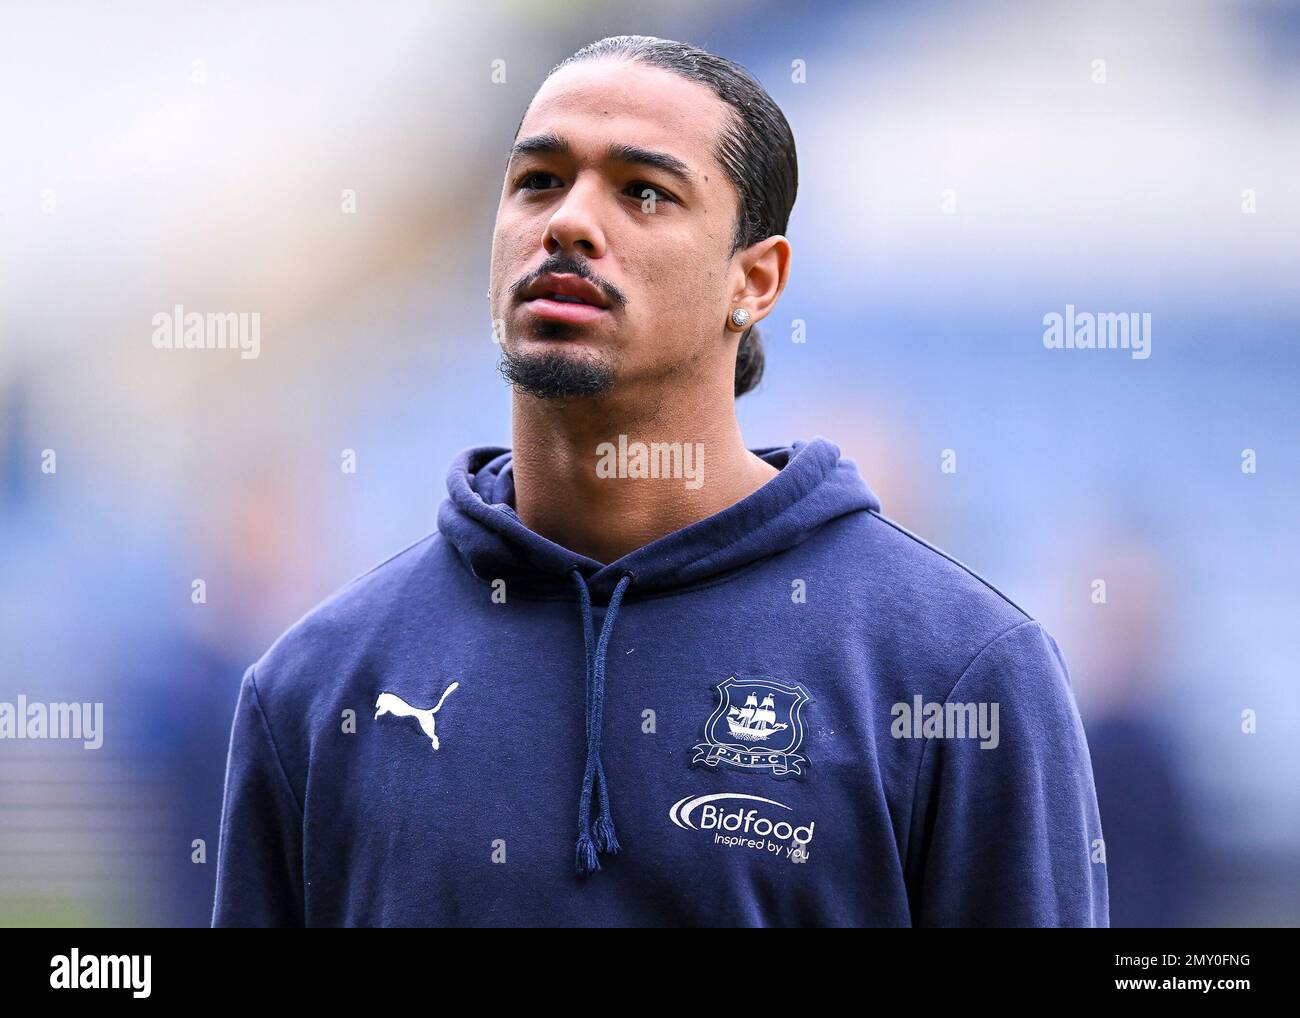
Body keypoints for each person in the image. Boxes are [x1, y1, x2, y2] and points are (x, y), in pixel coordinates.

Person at [212, 34, 1108, 927]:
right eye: (539, 181)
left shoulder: (959, 673)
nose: (567, 222)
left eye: (644, 191)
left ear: (754, 281)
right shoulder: (315, 686)